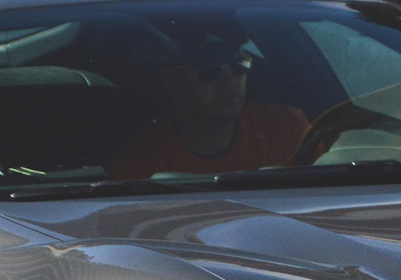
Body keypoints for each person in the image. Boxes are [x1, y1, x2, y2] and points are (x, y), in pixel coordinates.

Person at [109, 24, 309, 179]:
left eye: (238, 65)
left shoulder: (289, 127)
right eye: (210, 71)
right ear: (171, 78)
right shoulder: (138, 167)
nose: (228, 80)